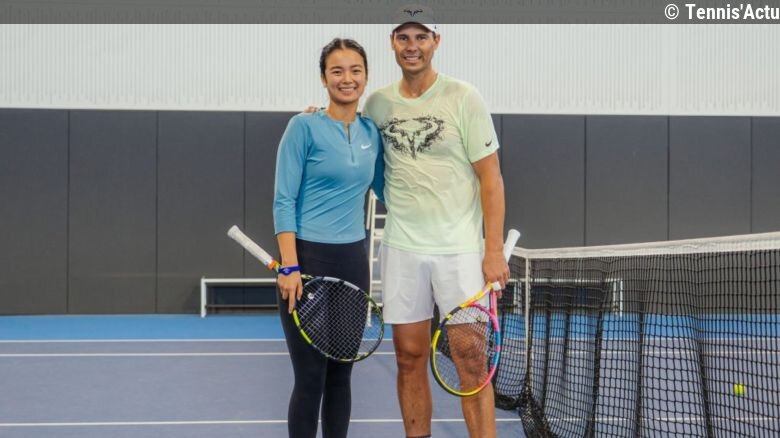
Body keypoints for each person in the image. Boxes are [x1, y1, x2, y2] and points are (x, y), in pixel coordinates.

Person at [362, 6, 509, 438]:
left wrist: (493, 249)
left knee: (471, 360)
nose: (412, 46)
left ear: (436, 42)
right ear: (392, 42)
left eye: (421, 37)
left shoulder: (464, 97)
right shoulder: (377, 104)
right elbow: (363, 157)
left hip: (460, 251)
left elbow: (491, 178)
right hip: (402, 249)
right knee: (408, 358)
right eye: (404, 38)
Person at [272, 38, 383, 438]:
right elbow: (283, 200)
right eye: (337, 71)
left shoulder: (372, 133)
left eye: (355, 70)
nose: (346, 78)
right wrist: (290, 265)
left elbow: (390, 190)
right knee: (310, 378)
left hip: (353, 263)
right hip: (307, 262)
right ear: (323, 78)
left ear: (366, 77)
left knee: (341, 375)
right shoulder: (302, 127)